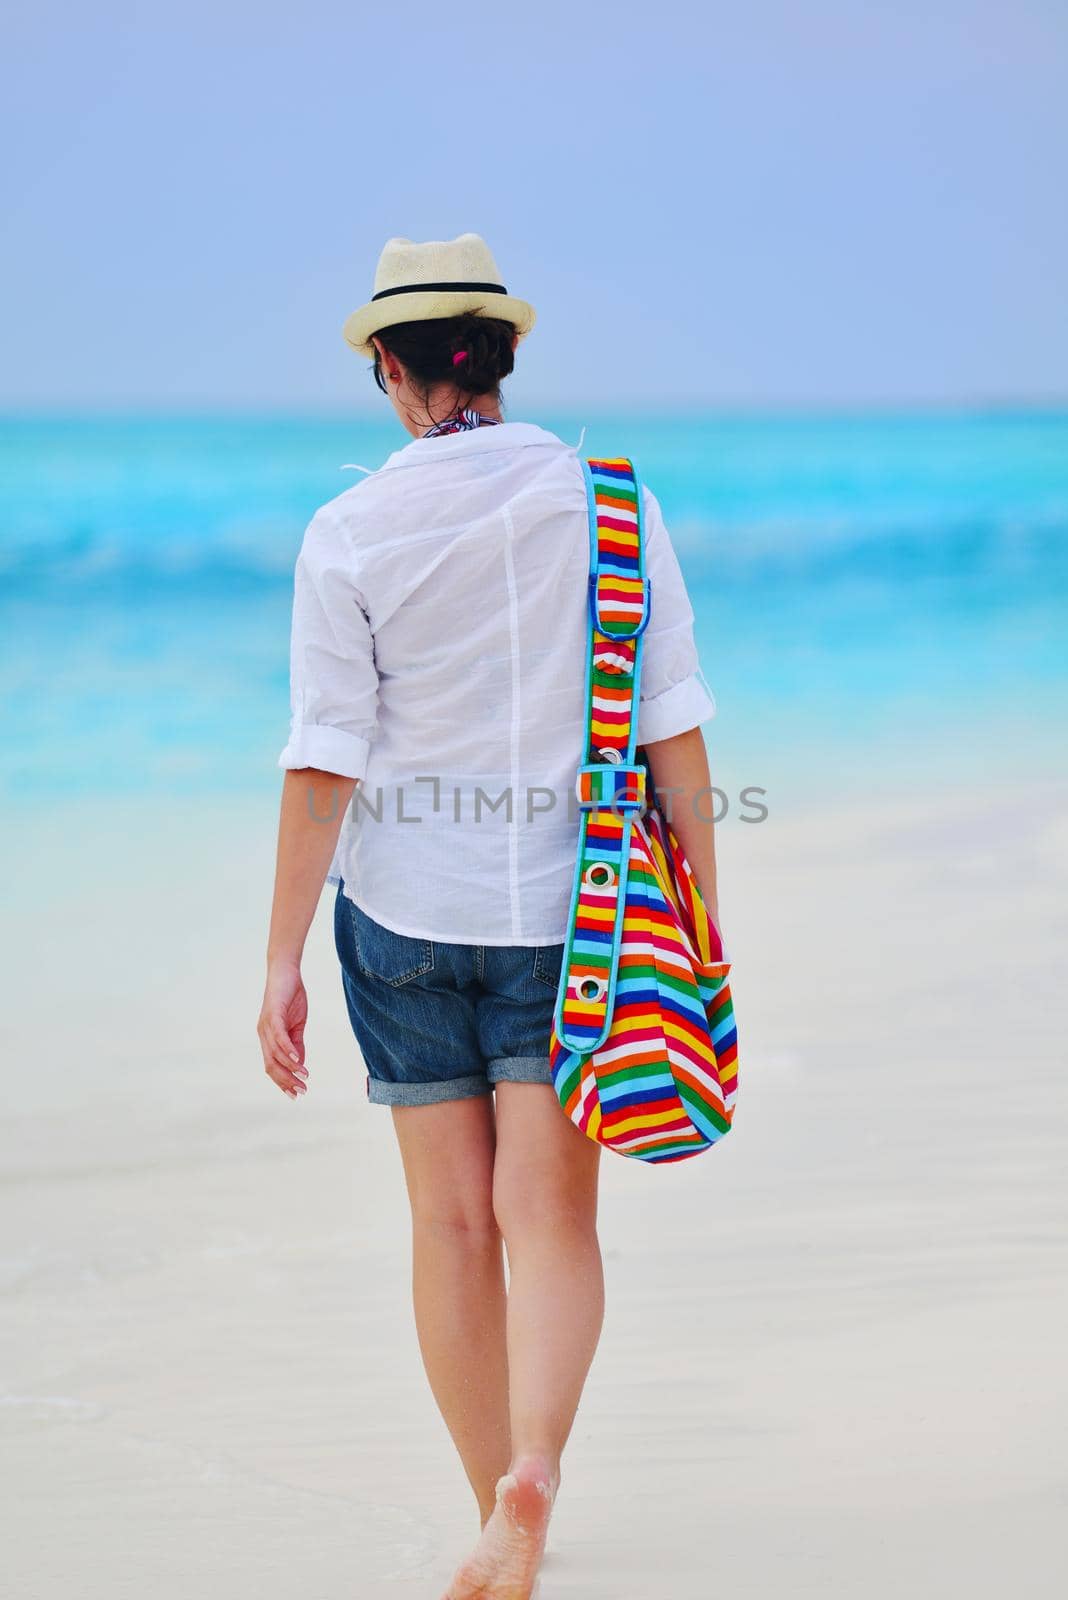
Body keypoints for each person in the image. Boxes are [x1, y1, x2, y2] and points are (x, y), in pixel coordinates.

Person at [257, 233, 719, 1600]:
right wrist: (706, 922)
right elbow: (678, 739)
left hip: (400, 912)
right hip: (571, 922)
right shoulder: (614, 505)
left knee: (450, 1227)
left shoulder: (348, 532)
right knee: (553, 1221)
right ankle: (533, 1474)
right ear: (503, 360)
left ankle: (488, 1510)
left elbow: (325, 755)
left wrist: (280, 954)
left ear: (393, 375)